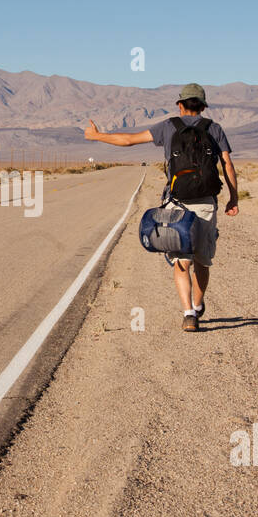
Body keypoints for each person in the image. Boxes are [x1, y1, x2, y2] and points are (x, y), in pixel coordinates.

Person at [85, 83, 239, 331]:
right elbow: (228, 165)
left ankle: (188, 313)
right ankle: (198, 307)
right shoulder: (215, 129)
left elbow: (128, 141)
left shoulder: (169, 127)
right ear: (202, 106)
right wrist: (234, 198)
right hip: (206, 203)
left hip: (177, 203)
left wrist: (97, 136)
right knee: (202, 260)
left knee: (181, 259)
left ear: (180, 105)